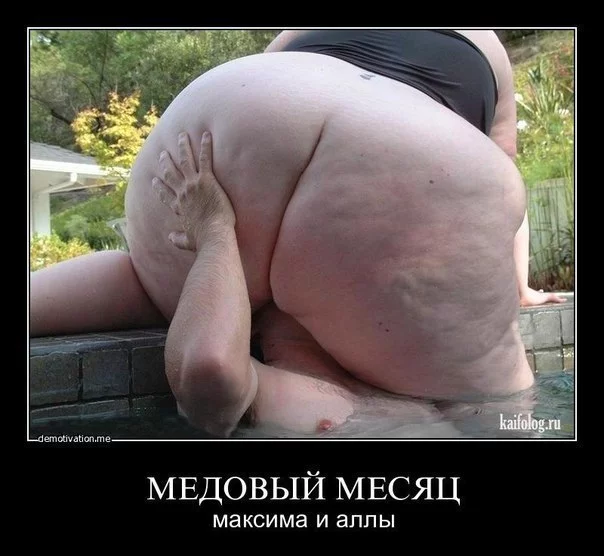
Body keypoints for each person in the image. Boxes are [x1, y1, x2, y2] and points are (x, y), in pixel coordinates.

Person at [30, 30, 562, 437]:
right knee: (498, 414)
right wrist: (519, 288)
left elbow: (277, 77)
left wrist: (217, 233)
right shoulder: (484, 41)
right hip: (422, 161)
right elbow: (502, 167)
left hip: (241, 110)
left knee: (145, 282)